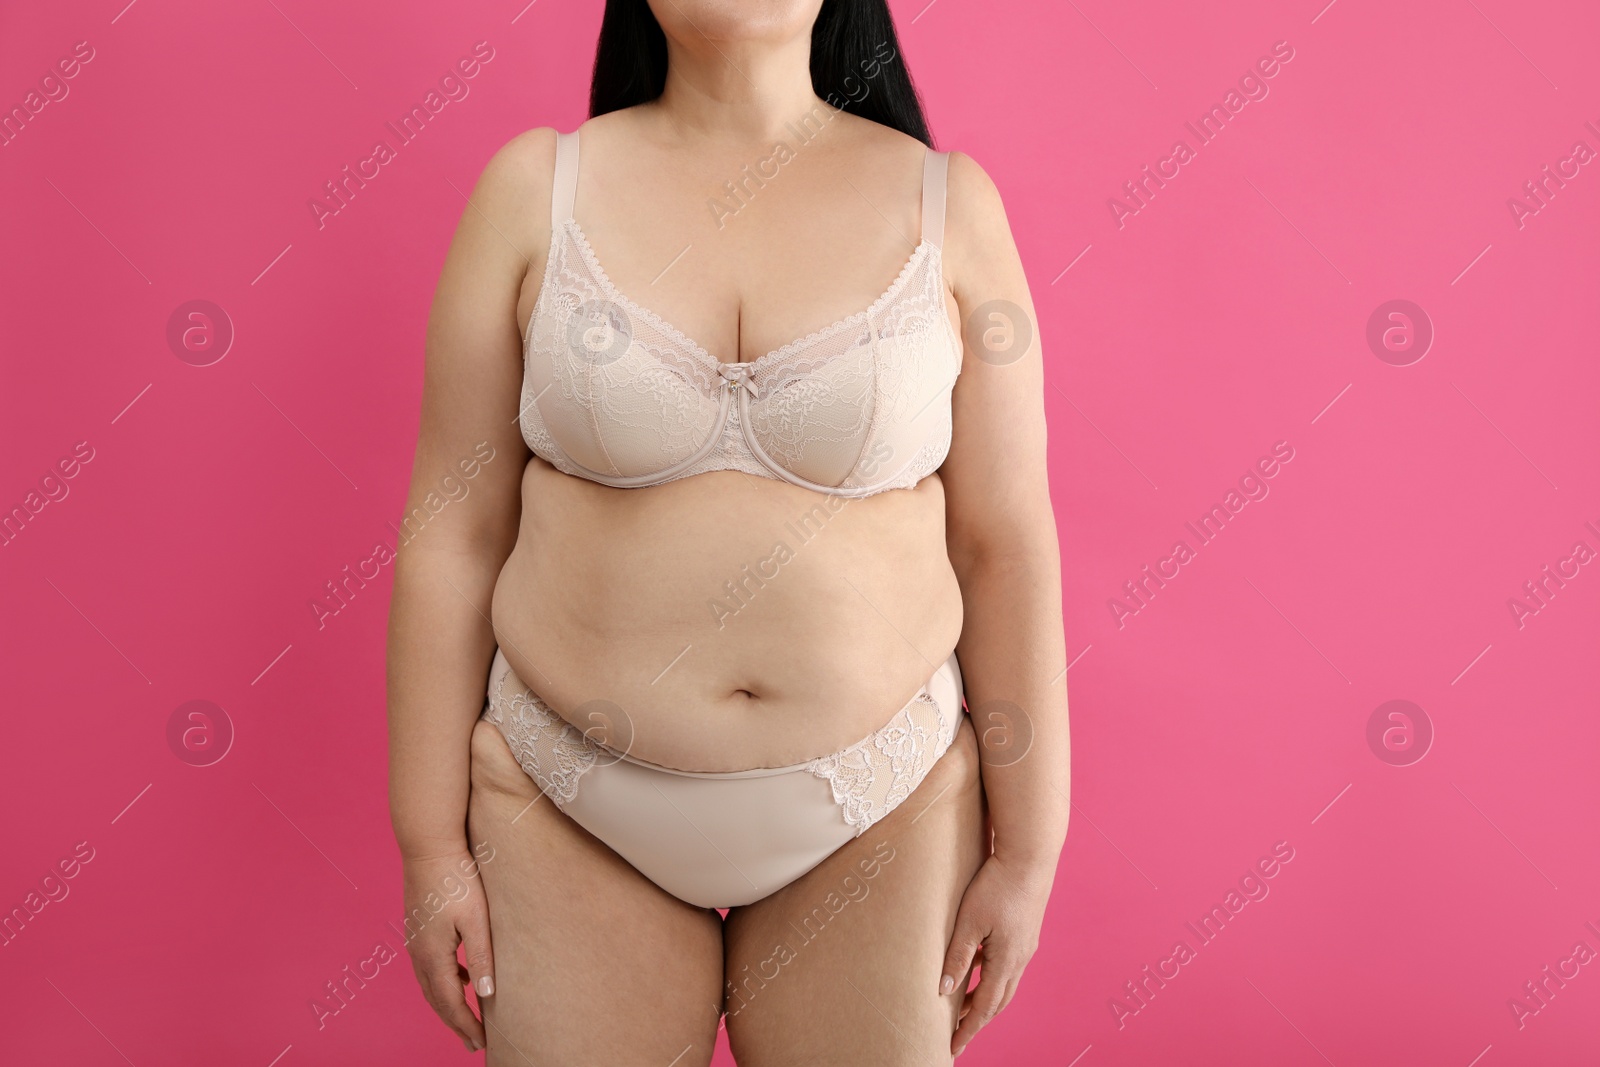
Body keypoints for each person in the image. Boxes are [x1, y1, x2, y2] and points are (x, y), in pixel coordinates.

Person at [386, 0, 1068, 1062]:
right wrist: (429, 848)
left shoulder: (949, 205)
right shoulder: (531, 193)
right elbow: (452, 535)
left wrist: (1028, 848)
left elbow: (1005, 540)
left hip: (882, 802)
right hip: (567, 799)